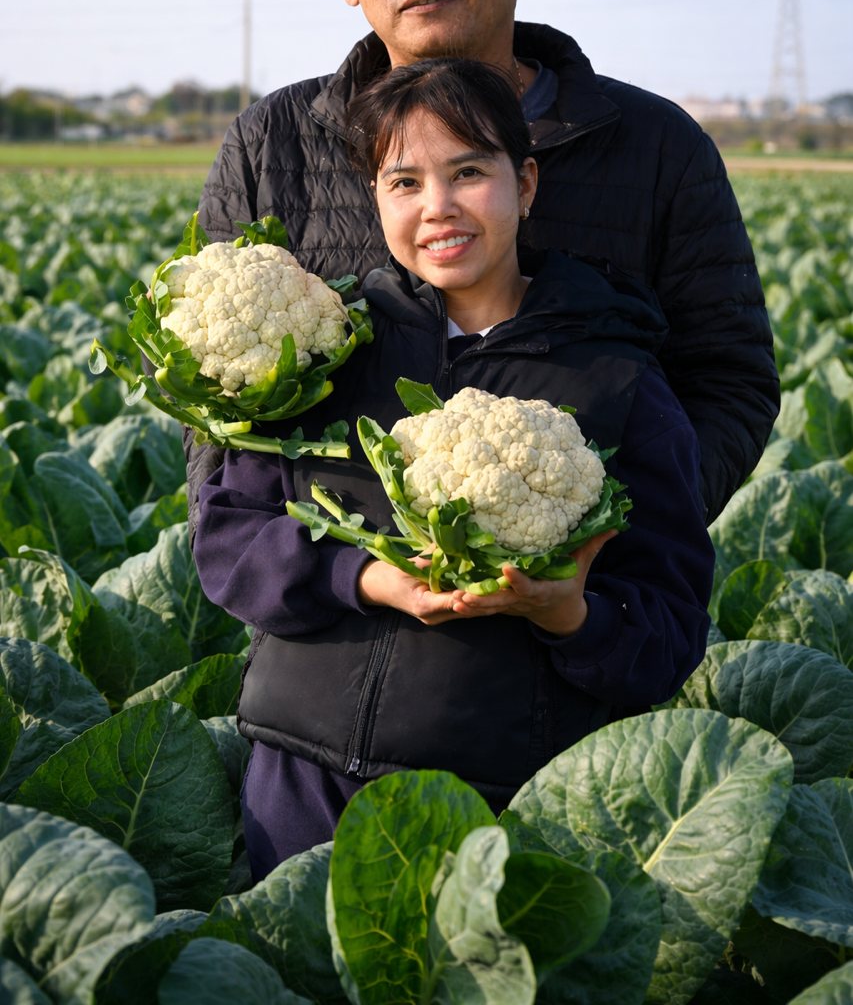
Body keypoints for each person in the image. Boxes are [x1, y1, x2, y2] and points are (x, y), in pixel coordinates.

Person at [194, 58, 715, 879]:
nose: (436, 207)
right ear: (377, 199)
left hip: (497, 803)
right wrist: (364, 579)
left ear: (526, 182)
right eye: (403, 181)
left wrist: (567, 614)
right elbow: (227, 543)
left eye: (467, 172)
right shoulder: (323, 356)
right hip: (299, 782)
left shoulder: (616, 382)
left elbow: (669, 628)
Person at [191, 0, 779, 532]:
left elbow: (726, 380)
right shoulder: (271, 141)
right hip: (335, 613)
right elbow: (211, 402)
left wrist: (606, 545)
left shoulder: (656, 144)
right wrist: (306, 573)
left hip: (578, 622)